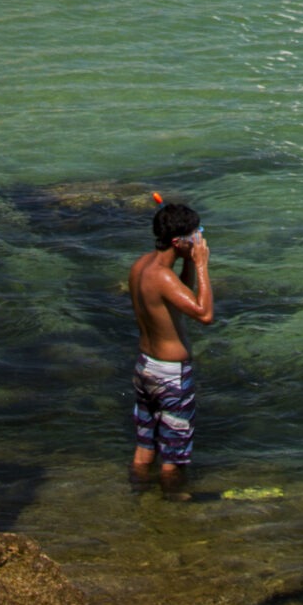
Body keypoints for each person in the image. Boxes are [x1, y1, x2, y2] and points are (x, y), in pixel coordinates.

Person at [128, 198, 214, 490]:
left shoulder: (142, 266)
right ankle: (174, 512)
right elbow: (204, 313)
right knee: (173, 458)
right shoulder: (163, 277)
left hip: (145, 367)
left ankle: (138, 498)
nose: (198, 240)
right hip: (170, 375)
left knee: (144, 448)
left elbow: (180, 297)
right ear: (179, 242)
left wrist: (188, 262)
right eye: (195, 235)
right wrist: (202, 265)